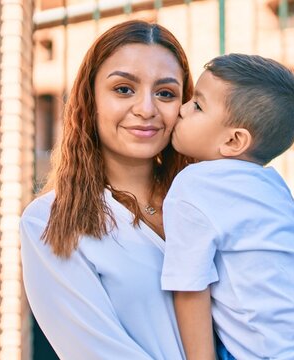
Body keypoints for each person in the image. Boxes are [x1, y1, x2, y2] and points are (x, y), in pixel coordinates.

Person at [20, 20, 194, 359]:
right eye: (124, 89)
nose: (146, 109)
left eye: (165, 93)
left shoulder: (205, 199)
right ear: (90, 99)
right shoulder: (48, 221)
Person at [161, 54, 294, 360]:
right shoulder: (272, 183)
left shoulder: (193, 185)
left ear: (233, 141)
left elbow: (190, 288)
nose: (181, 108)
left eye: (198, 105)